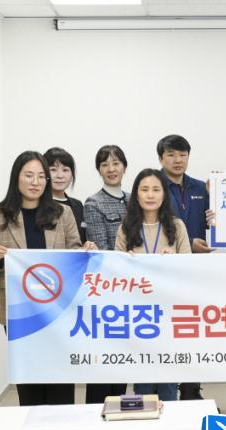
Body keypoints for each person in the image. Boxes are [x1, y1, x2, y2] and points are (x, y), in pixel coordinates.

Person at [0, 151, 96, 406]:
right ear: (16, 178)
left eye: (41, 176)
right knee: (29, 380)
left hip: (58, 309)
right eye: (29, 175)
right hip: (19, 312)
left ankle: (61, 428)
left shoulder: (62, 213)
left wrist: (84, 251)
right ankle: (31, 428)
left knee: (60, 378)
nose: (36, 182)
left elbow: (74, 251)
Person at [115, 168, 191, 430]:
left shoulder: (177, 226)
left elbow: (190, 268)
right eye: (144, 189)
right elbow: (115, 273)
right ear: (136, 194)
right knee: (143, 376)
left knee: (169, 377)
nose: (150, 195)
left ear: (164, 194)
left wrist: (174, 260)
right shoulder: (126, 228)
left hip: (170, 312)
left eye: (156, 189)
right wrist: (126, 263)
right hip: (138, 314)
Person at [157, 134, 212, 403]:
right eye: (171, 155)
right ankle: (164, 389)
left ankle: (192, 388)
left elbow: (219, 224)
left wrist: (220, 208)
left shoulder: (201, 187)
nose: (178, 160)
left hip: (196, 271)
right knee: (166, 331)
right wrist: (188, 243)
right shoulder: (153, 187)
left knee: (193, 330)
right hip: (163, 272)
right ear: (161, 158)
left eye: (182, 155)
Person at [83, 145, 130, 404]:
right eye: (105, 164)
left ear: (124, 166)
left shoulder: (135, 198)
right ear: (99, 170)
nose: (111, 169)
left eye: (116, 163)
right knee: (102, 360)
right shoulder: (93, 203)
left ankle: (118, 408)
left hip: (134, 290)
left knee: (122, 359)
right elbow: (100, 249)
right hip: (108, 289)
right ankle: (95, 412)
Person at [44, 147, 86, 243]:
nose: (60, 175)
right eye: (53, 169)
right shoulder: (36, 204)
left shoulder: (78, 205)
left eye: (65, 170)